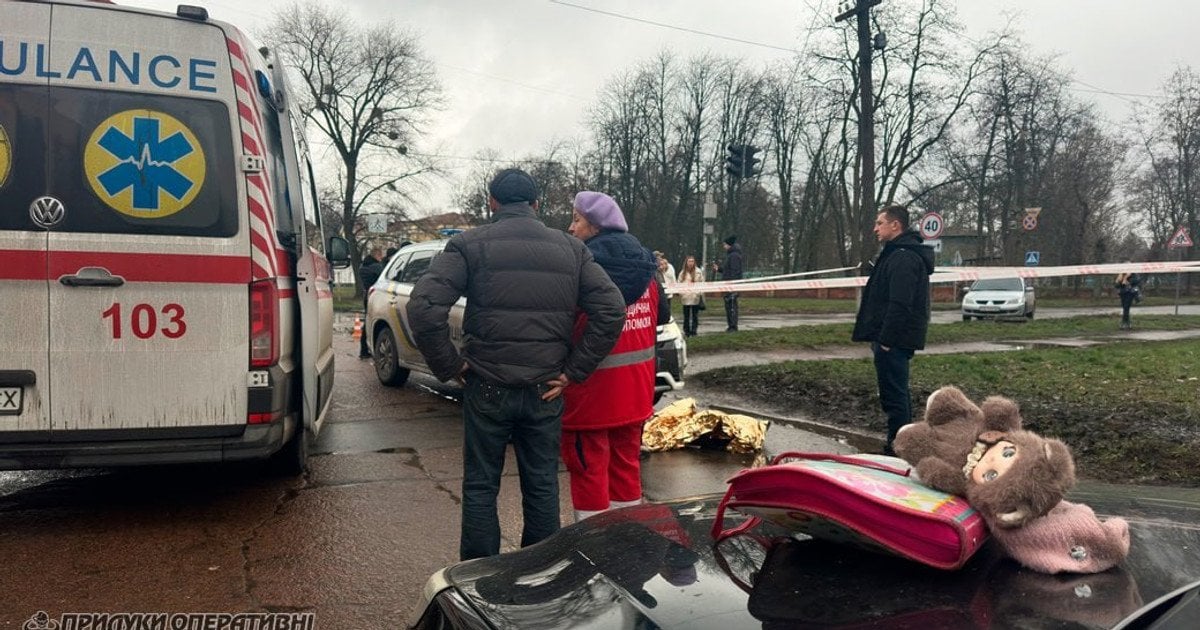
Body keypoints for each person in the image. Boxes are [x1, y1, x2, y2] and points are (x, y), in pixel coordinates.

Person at [406, 169, 626, 560]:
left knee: (480, 485)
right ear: (537, 205)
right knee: (542, 484)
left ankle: (477, 578)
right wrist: (574, 371)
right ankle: (538, 575)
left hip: (486, 383)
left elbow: (423, 308)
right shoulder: (571, 249)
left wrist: (451, 365)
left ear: (492, 202)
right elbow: (610, 309)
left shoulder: (468, 245)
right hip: (545, 388)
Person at [562, 191, 669, 521]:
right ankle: (628, 539)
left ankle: (593, 547)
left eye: (577, 220)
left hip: (590, 393)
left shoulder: (580, 270)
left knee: (588, 470)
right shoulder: (647, 269)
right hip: (635, 392)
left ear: (594, 227)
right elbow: (662, 316)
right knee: (625, 466)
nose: (571, 227)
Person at [851, 205, 934, 456]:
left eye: (880, 223)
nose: (876, 228)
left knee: (895, 394)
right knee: (892, 392)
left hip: (894, 340)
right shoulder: (895, 253)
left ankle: (898, 447)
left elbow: (900, 303)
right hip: (889, 338)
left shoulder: (904, 258)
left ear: (895, 225)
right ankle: (898, 441)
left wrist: (886, 339)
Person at [711, 235, 744, 331]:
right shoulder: (731, 255)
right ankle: (731, 325)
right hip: (728, 285)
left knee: (732, 306)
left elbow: (735, 271)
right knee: (729, 305)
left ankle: (733, 326)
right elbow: (728, 270)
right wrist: (719, 269)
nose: (724, 246)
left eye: (725, 244)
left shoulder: (734, 256)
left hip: (731, 286)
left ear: (729, 245)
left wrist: (732, 285)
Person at [358, 247, 384, 358]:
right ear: (377, 255)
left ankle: (363, 350)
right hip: (375, 296)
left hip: (367, 295)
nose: (381, 258)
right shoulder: (376, 267)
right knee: (375, 322)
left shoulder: (363, 266)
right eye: (380, 256)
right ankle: (371, 349)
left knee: (368, 321)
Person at [677, 255, 704, 337]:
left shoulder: (698, 272)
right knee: (686, 316)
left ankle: (694, 331)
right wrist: (682, 294)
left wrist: (698, 293)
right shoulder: (682, 273)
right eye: (689, 261)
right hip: (686, 297)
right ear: (686, 262)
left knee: (695, 316)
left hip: (695, 297)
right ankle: (687, 331)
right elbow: (679, 283)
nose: (691, 263)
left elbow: (702, 283)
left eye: (692, 261)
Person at [1115, 262, 1141, 330]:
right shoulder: (1121, 274)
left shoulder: (1134, 275)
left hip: (1130, 293)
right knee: (1125, 308)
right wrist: (1119, 280)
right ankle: (1127, 322)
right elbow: (1117, 285)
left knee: (1126, 307)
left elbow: (1134, 282)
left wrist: (1125, 279)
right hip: (1123, 293)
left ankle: (1124, 323)